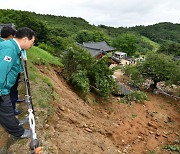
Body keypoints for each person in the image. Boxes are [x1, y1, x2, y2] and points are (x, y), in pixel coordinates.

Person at [0, 27, 35, 139]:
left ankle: (15, 125)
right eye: (32, 42)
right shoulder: (10, 49)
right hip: (1, 88)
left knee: (7, 109)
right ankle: (18, 133)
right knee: (5, 111)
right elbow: (2, 70)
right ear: (25, 39)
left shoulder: (13, 47)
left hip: (4, 87)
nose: (32, 45)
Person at [0, 26, 24, 115]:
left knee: (13, 91)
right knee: (11, 93)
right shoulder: (9, 47)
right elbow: (3, 68)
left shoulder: (4, 44)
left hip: (9, 77)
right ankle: (12, 109)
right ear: (11, 35)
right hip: (6, 80)